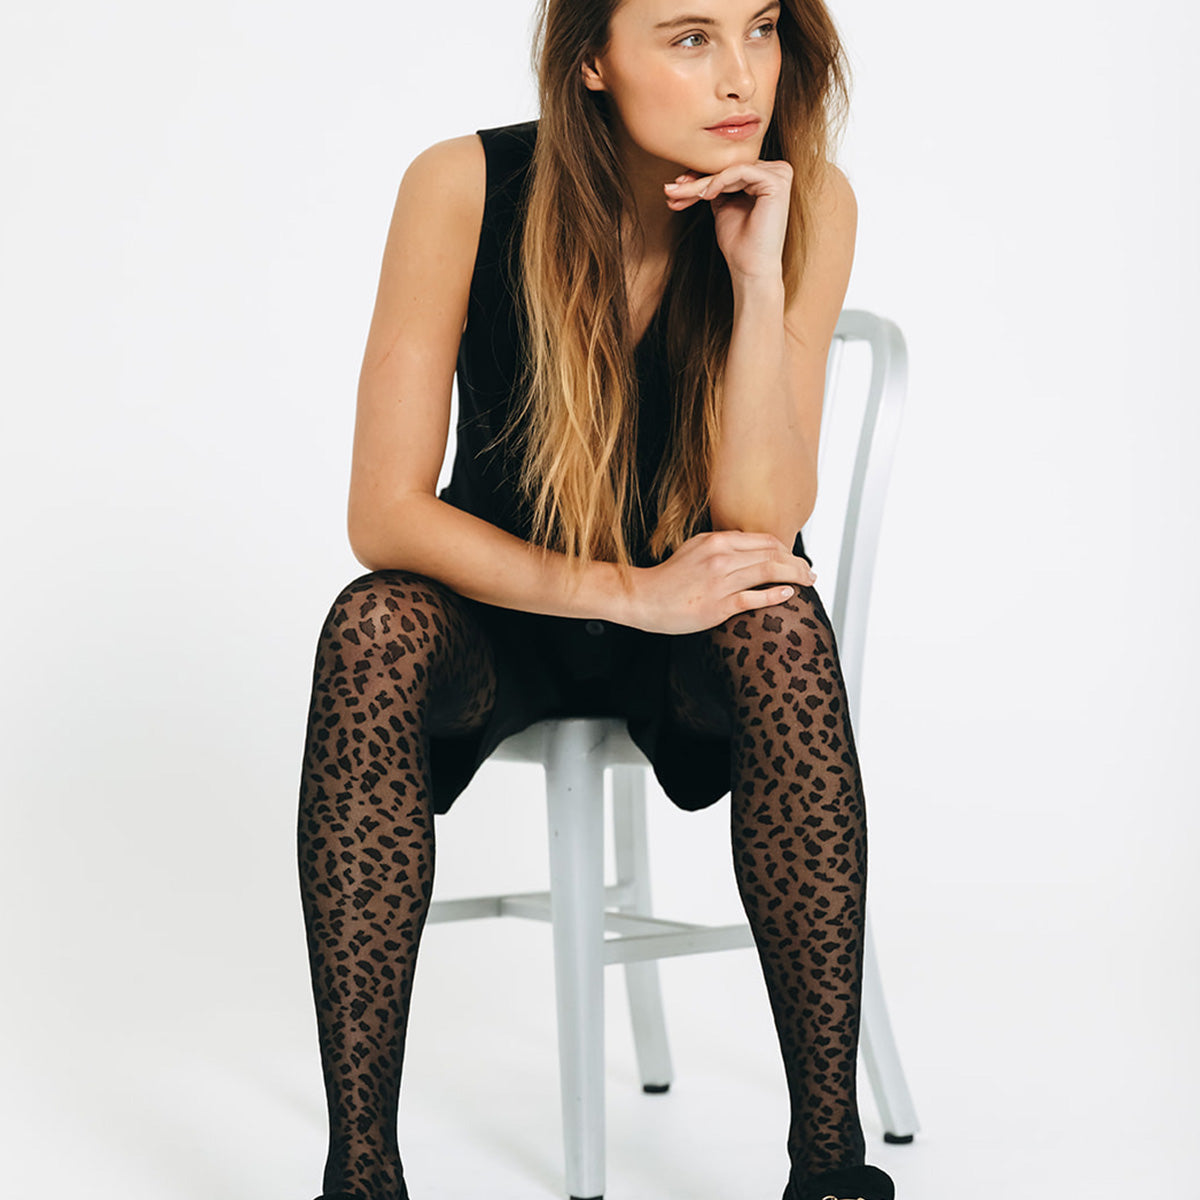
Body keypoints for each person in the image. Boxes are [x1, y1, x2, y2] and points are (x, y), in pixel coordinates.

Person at [296, 1, 897, 1199]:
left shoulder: (807, 199)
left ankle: (829, 1161)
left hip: (693, 636)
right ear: (590, 61)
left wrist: (755, 277)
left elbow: (763, 515)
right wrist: (628, 593)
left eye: (762, 29)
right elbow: (385, 514)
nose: (743, 77)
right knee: (371, 626)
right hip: (505, 615)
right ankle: (362, 1171)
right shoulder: (463, 186)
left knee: (781, 624)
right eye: (690, 37)